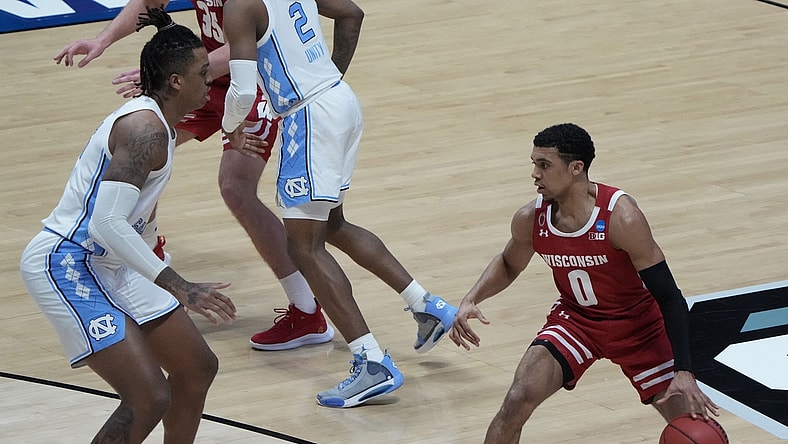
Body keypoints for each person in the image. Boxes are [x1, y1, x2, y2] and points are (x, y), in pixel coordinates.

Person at [54, 0, 335, 351]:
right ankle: (153, 272)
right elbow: (148, 3)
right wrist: (103, 39)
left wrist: (183, 71)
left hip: (251, 80)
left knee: (236, 189)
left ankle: (306, 311)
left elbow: (248, 41)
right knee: (146, 157)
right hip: (202, 81)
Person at [221, 0, 458, 408]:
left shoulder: (241, 6)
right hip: (339, 101)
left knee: (303, 246)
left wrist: (231, 129)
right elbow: (352, 13)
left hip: (310, 116)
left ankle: (371, 362)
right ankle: (426, 304)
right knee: (331, 226)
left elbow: (242, 90)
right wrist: (328, 79)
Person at [20, 8, 237, 442]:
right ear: (175, 81)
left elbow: (138, 213)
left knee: (196, 369)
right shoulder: (145, 129)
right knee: (148, 397)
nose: (210, 77)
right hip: (69, 262)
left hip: (111, 263)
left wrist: (237, 131)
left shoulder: (164, 124)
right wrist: (179, 285)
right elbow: (105, 223)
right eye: (201, 71)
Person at [449, 123, 720, 442]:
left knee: (697, 432)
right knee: (517, 399)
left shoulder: (622, 218)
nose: (535, 174)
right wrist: (471, 298)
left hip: (638, 327)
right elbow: (509, 263)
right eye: (534, 164)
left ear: (576, 168)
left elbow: (669, 296)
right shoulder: (531, 218)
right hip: (576, 321)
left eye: (544, 165)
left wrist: (684, 371)